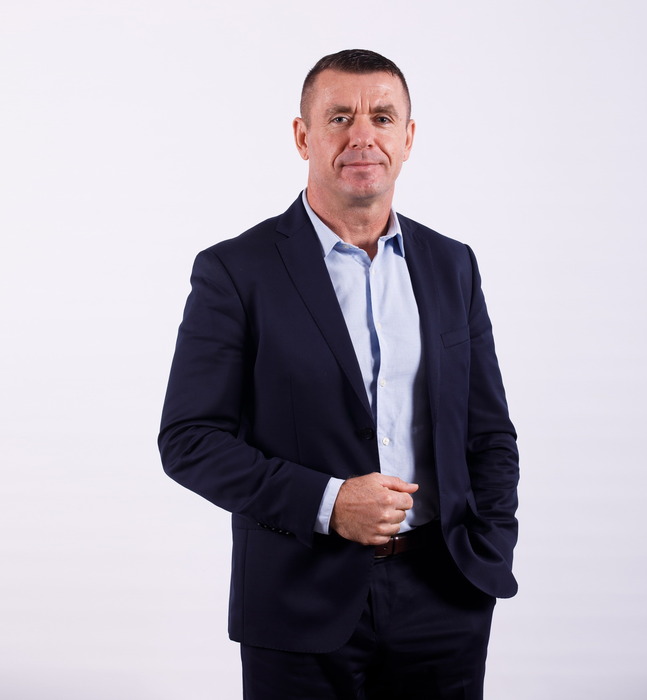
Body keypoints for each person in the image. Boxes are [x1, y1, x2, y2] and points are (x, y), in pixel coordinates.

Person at [159, 48, 519, 700]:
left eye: (382, 117)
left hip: (445, 598)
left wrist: (486, 551)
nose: (362, 136)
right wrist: (329, 504)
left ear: (408, 138)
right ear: (303, 136)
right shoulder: (236, 271)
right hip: (296, 601)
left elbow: (488, 432)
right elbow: (189, 440)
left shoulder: (452, 265)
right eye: (339, 117)